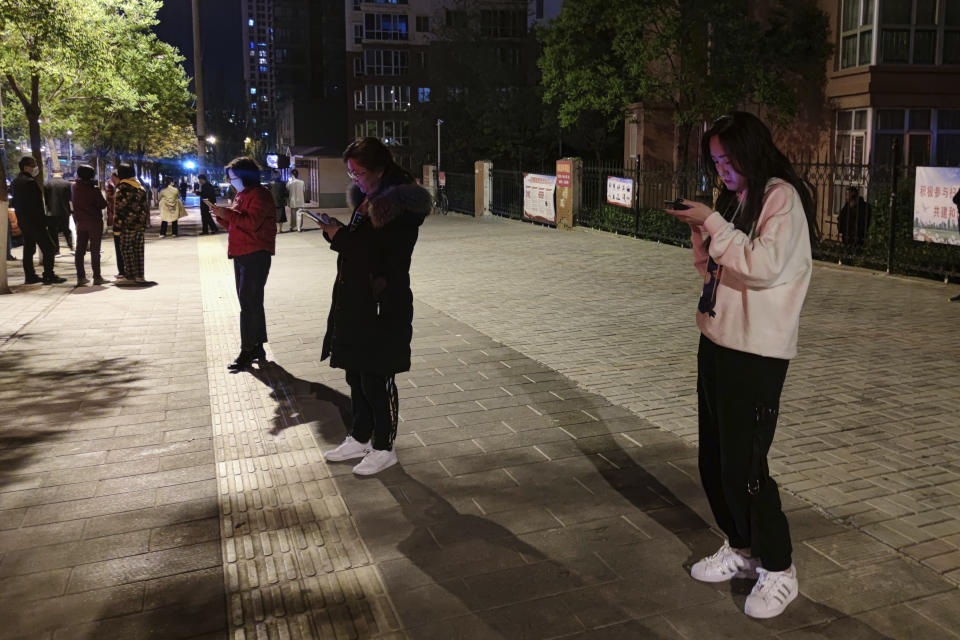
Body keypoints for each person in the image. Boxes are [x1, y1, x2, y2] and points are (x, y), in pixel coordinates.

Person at [665, 112, 819, 620]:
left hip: (756, 352)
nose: (723, 171)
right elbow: (713, 267)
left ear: (751, 150)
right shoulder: (736, 199)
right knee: (715, 459)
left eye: (729, 160)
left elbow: (763, 265)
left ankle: (779, 567)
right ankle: (742, 548)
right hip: (717, 339)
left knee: (746, 465)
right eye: (715, 162)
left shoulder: (782, 198)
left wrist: (712, 222)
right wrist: (700, 230)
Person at [319, 137, 431, 476]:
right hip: (356, 299)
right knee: (355, 372)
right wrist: (337, 234)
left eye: (359, 172)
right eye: (350, 173)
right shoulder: (366, 199)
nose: (355, 179)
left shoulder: (399, 208)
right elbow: (359, 246)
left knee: (376, 377)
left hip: (384, 302)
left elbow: (379, 255)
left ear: (380, 170)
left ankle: (384, 446)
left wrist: (339, 237)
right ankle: (361, 435)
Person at [208, 157, 276, 370]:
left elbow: (252, 223)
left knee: (248, 303)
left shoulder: (260, 195)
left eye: (234, 178)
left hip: (255, 253)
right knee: (252, 302)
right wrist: (221, 216)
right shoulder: (242, 194)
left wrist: (226, 213)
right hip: (242, 252)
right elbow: (236, 221)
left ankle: (247, 349)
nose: (231, 182)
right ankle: (257, 346)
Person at [10, 157, 65, 285]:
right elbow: (35, 205)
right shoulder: (29, 182)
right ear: (26, 167)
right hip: (35, 222)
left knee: (28, 249)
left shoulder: (15, 182)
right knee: (49, 247)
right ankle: (48, 275)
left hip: (24, 221)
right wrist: (43, 221)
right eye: (33, 165)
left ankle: (30, 276)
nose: (35, 168)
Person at [71, 164, 108, 286]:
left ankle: (81, 277)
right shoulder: (94, 189)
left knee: (80, 250)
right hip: (94, 222)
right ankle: (97, 276)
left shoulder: (75, 187)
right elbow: (103, 204)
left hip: (81, 222)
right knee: (95, 250)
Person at [114, 164, 150, 285]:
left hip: (127, 224)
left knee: (126, 248)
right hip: (140, 224)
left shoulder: (123, 187)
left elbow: (119, 208)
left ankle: (130, 275)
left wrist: (117, 225)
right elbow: (146, 206)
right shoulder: (140, 187)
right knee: (139, 249)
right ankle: (140, 275)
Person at [45, 170, 74, 254]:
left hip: (51, 212)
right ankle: (71, 246)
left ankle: (56, 250)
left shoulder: (47, 184)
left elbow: (46, 199)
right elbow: (70, 198)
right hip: (64, 211)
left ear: (52, 174)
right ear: (61, 173)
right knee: (66, 230)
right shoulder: (67, 184)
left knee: (53, 232)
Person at [105, 172, 125, 279]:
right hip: (117, 219)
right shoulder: (112, 186)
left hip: (121, 221)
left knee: (121, 246)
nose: (111, 180)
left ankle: (124, 270)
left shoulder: (122, 187)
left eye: (113, 178)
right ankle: (122, 271)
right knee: (120, 247)